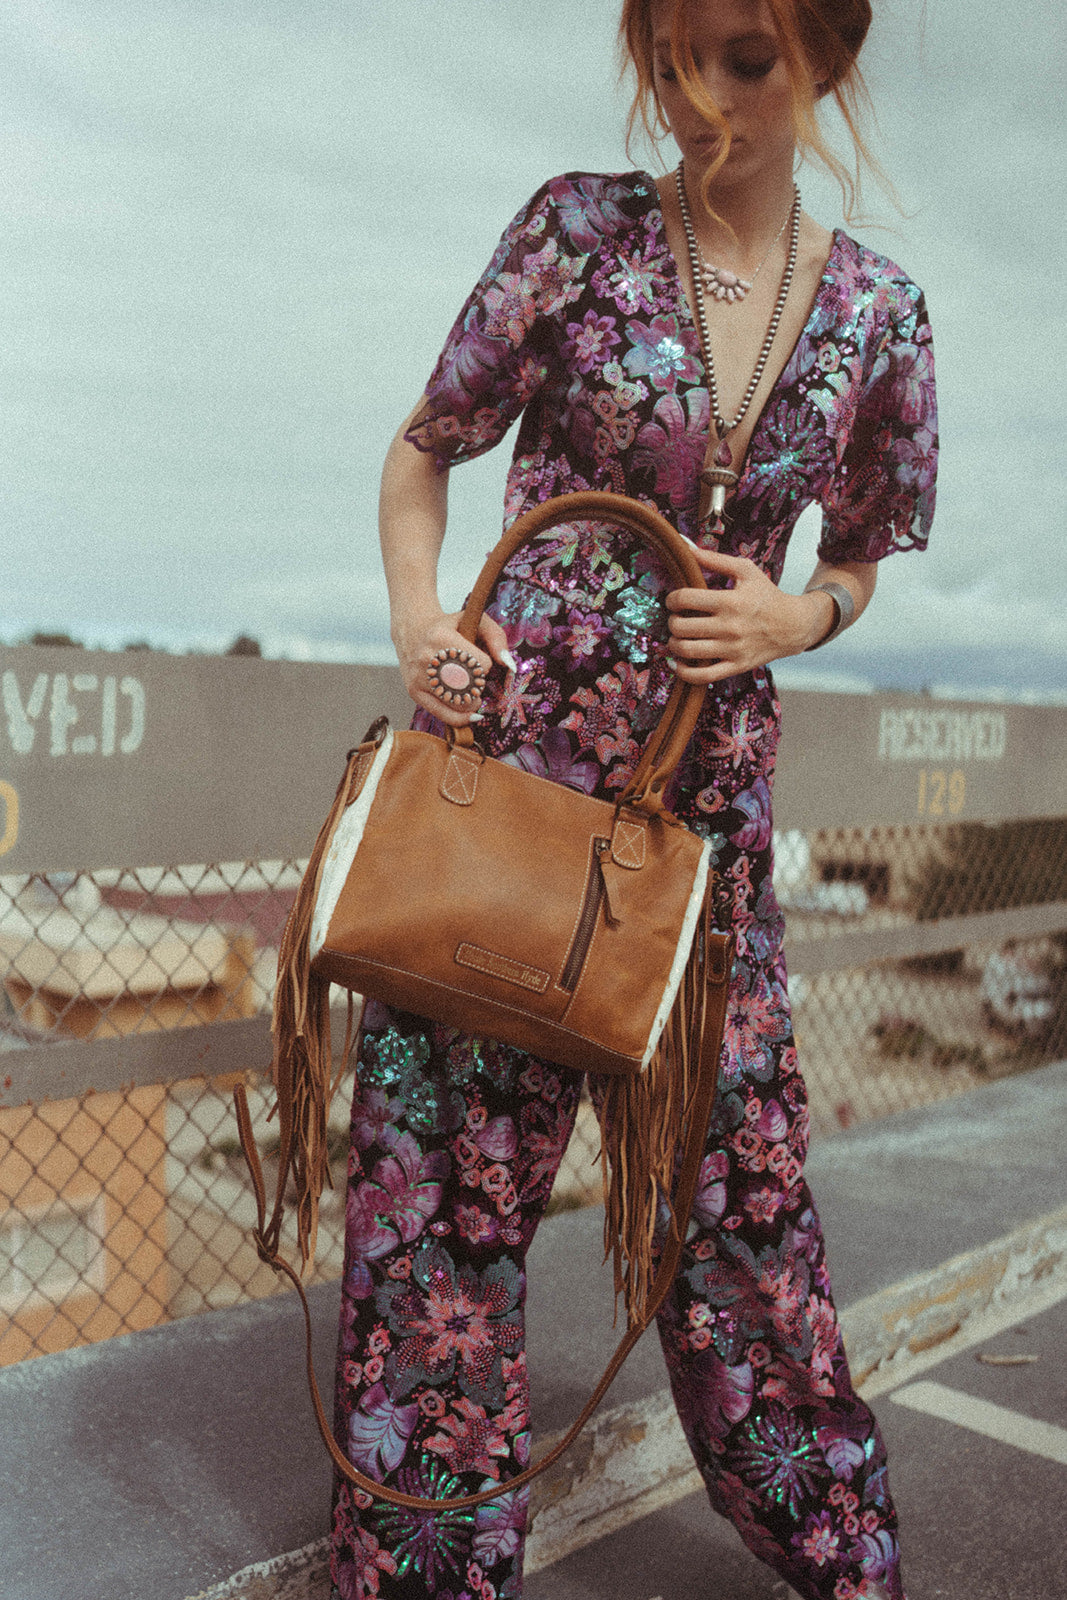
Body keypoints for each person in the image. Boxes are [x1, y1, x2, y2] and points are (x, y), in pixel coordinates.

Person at [329, 0, 937, 1595]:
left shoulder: (881, 312)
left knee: (743, 1228)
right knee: (438, 1227)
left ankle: (846, 1563)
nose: (700, 99)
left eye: (746, 58)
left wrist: (797, 615)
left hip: (700, 844)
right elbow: (424, 449)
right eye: (674, 56)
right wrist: (425, 621)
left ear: (829, 56)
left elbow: (864, 554)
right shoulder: (576, 233)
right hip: (504, 810)